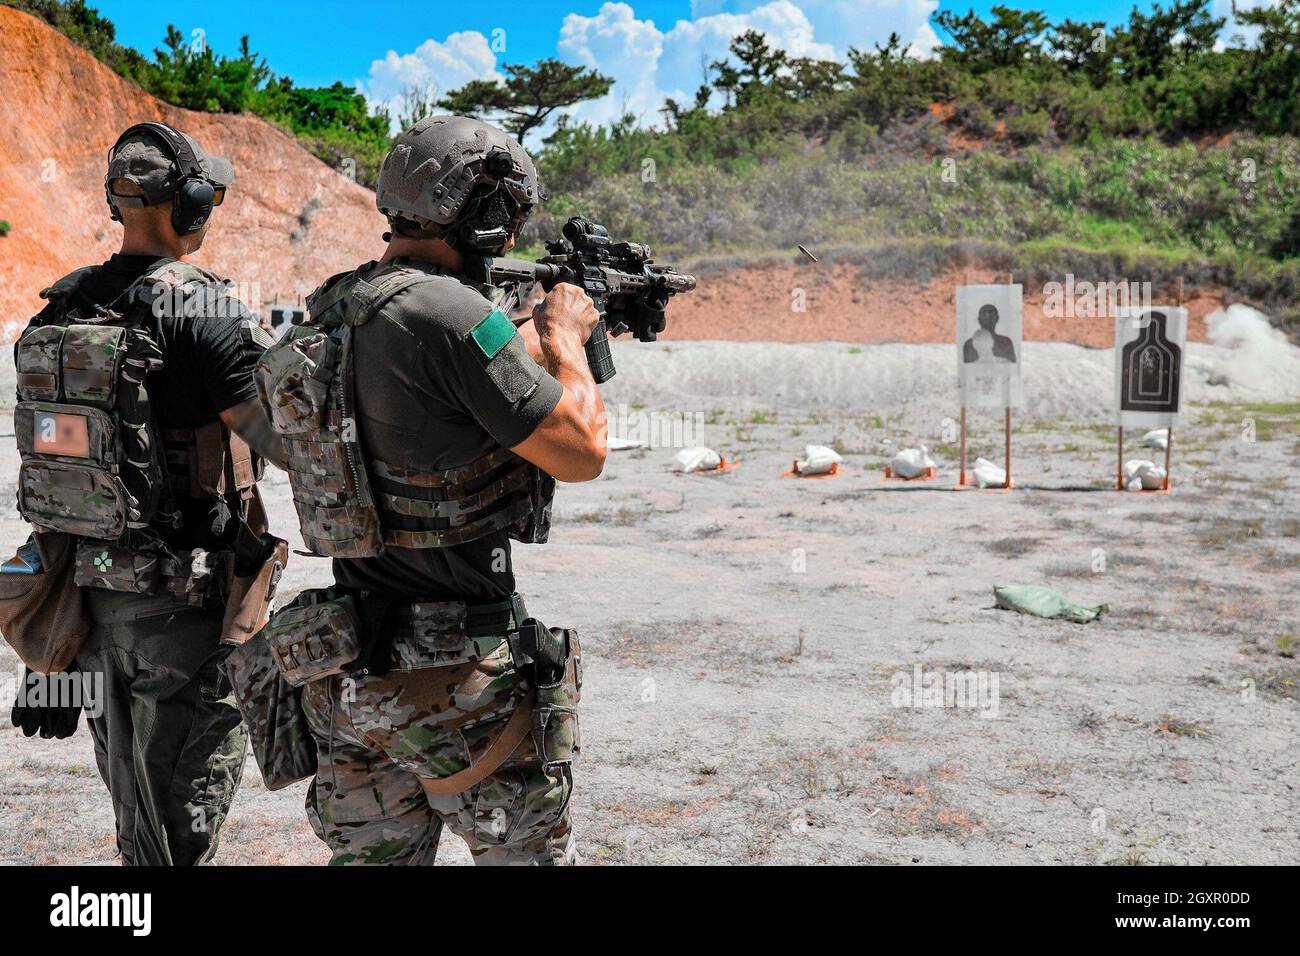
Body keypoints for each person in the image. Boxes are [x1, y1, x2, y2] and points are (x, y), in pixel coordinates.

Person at [262, 115, 605, 865]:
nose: (511, 232)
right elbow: (580, 453)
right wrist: (569, 337)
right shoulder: (454, 315)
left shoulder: (334, 307)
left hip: (349, 666)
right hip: (460, 679)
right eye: (506, 214)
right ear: (481, 212)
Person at [9, 121, 286, 865]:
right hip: (184, 618)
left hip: (93, 614)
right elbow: (287, 444)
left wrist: (52, 663)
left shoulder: (59, 311)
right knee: (178, 838)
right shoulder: (209, 313)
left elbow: (58, 485)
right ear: (191, 203)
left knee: (139, 819)